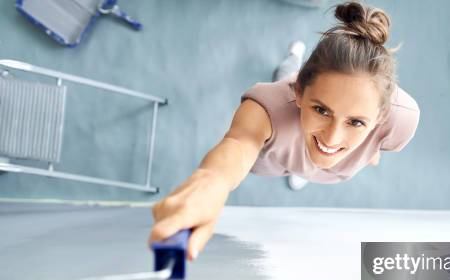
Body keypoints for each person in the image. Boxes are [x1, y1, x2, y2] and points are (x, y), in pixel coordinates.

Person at [149, 1, 420, 260]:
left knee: (316, 155)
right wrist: (212, 183)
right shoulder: (271, 107)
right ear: (300, 93)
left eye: (356, 122)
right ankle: (292, 60)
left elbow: (377, 139)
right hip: (280, 145)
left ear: (380, 117)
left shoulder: (401, 120)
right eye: (321, 110)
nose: (332, 136)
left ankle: (306, 162)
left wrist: (373, 150)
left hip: (319, 158)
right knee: (286, 75)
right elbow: (240, 143)